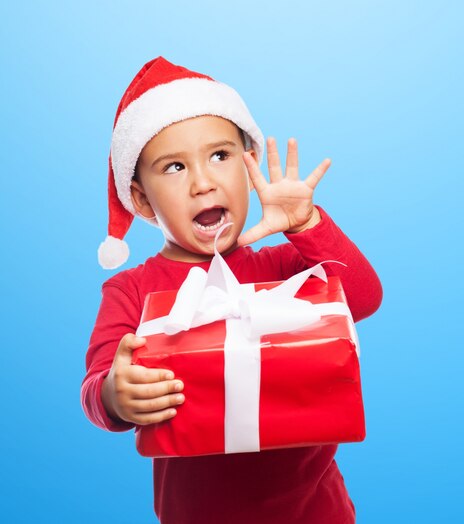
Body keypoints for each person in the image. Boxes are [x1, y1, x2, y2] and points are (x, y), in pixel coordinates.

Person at [81, 56, 382, 524]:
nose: (203, 183)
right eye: (175, 167)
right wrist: (114, 397)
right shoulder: (130, 290)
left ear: (249, 166)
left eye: (220, 156)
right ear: (141, 198)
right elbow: (99, 381)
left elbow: (364, 298)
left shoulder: (286, 267)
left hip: (317, 513)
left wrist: (306, 226)